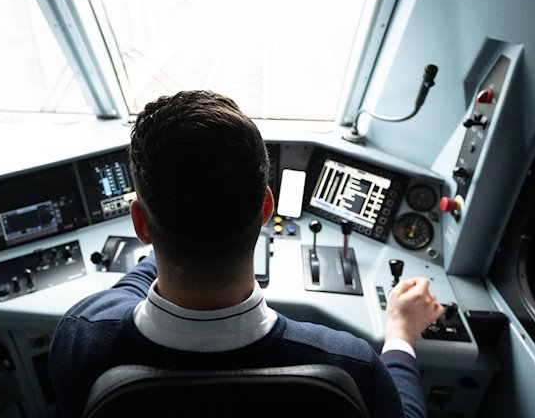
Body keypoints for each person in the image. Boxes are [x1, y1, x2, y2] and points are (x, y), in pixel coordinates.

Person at [49, 90, 444, 417]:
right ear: (266, 207)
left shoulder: (82, 335)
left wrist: (172, 238)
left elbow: (129, 288)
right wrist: (401, 335)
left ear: (140, 225)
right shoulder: (350, 364)